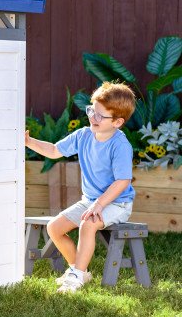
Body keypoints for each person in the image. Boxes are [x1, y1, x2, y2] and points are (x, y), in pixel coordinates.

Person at [24, 81, 136, 293]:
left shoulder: (120, 145)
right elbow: (54, 150)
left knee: (88, 224)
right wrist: (29, 142)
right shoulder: (83, 135)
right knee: (54, 228)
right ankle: (78, 270)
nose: (93, 117)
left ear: (117, 122)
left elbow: (122, 181)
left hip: (117, 203)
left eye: (100, 116)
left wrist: (99, 205)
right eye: (92, 111)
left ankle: (76, 276)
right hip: (90, 201)